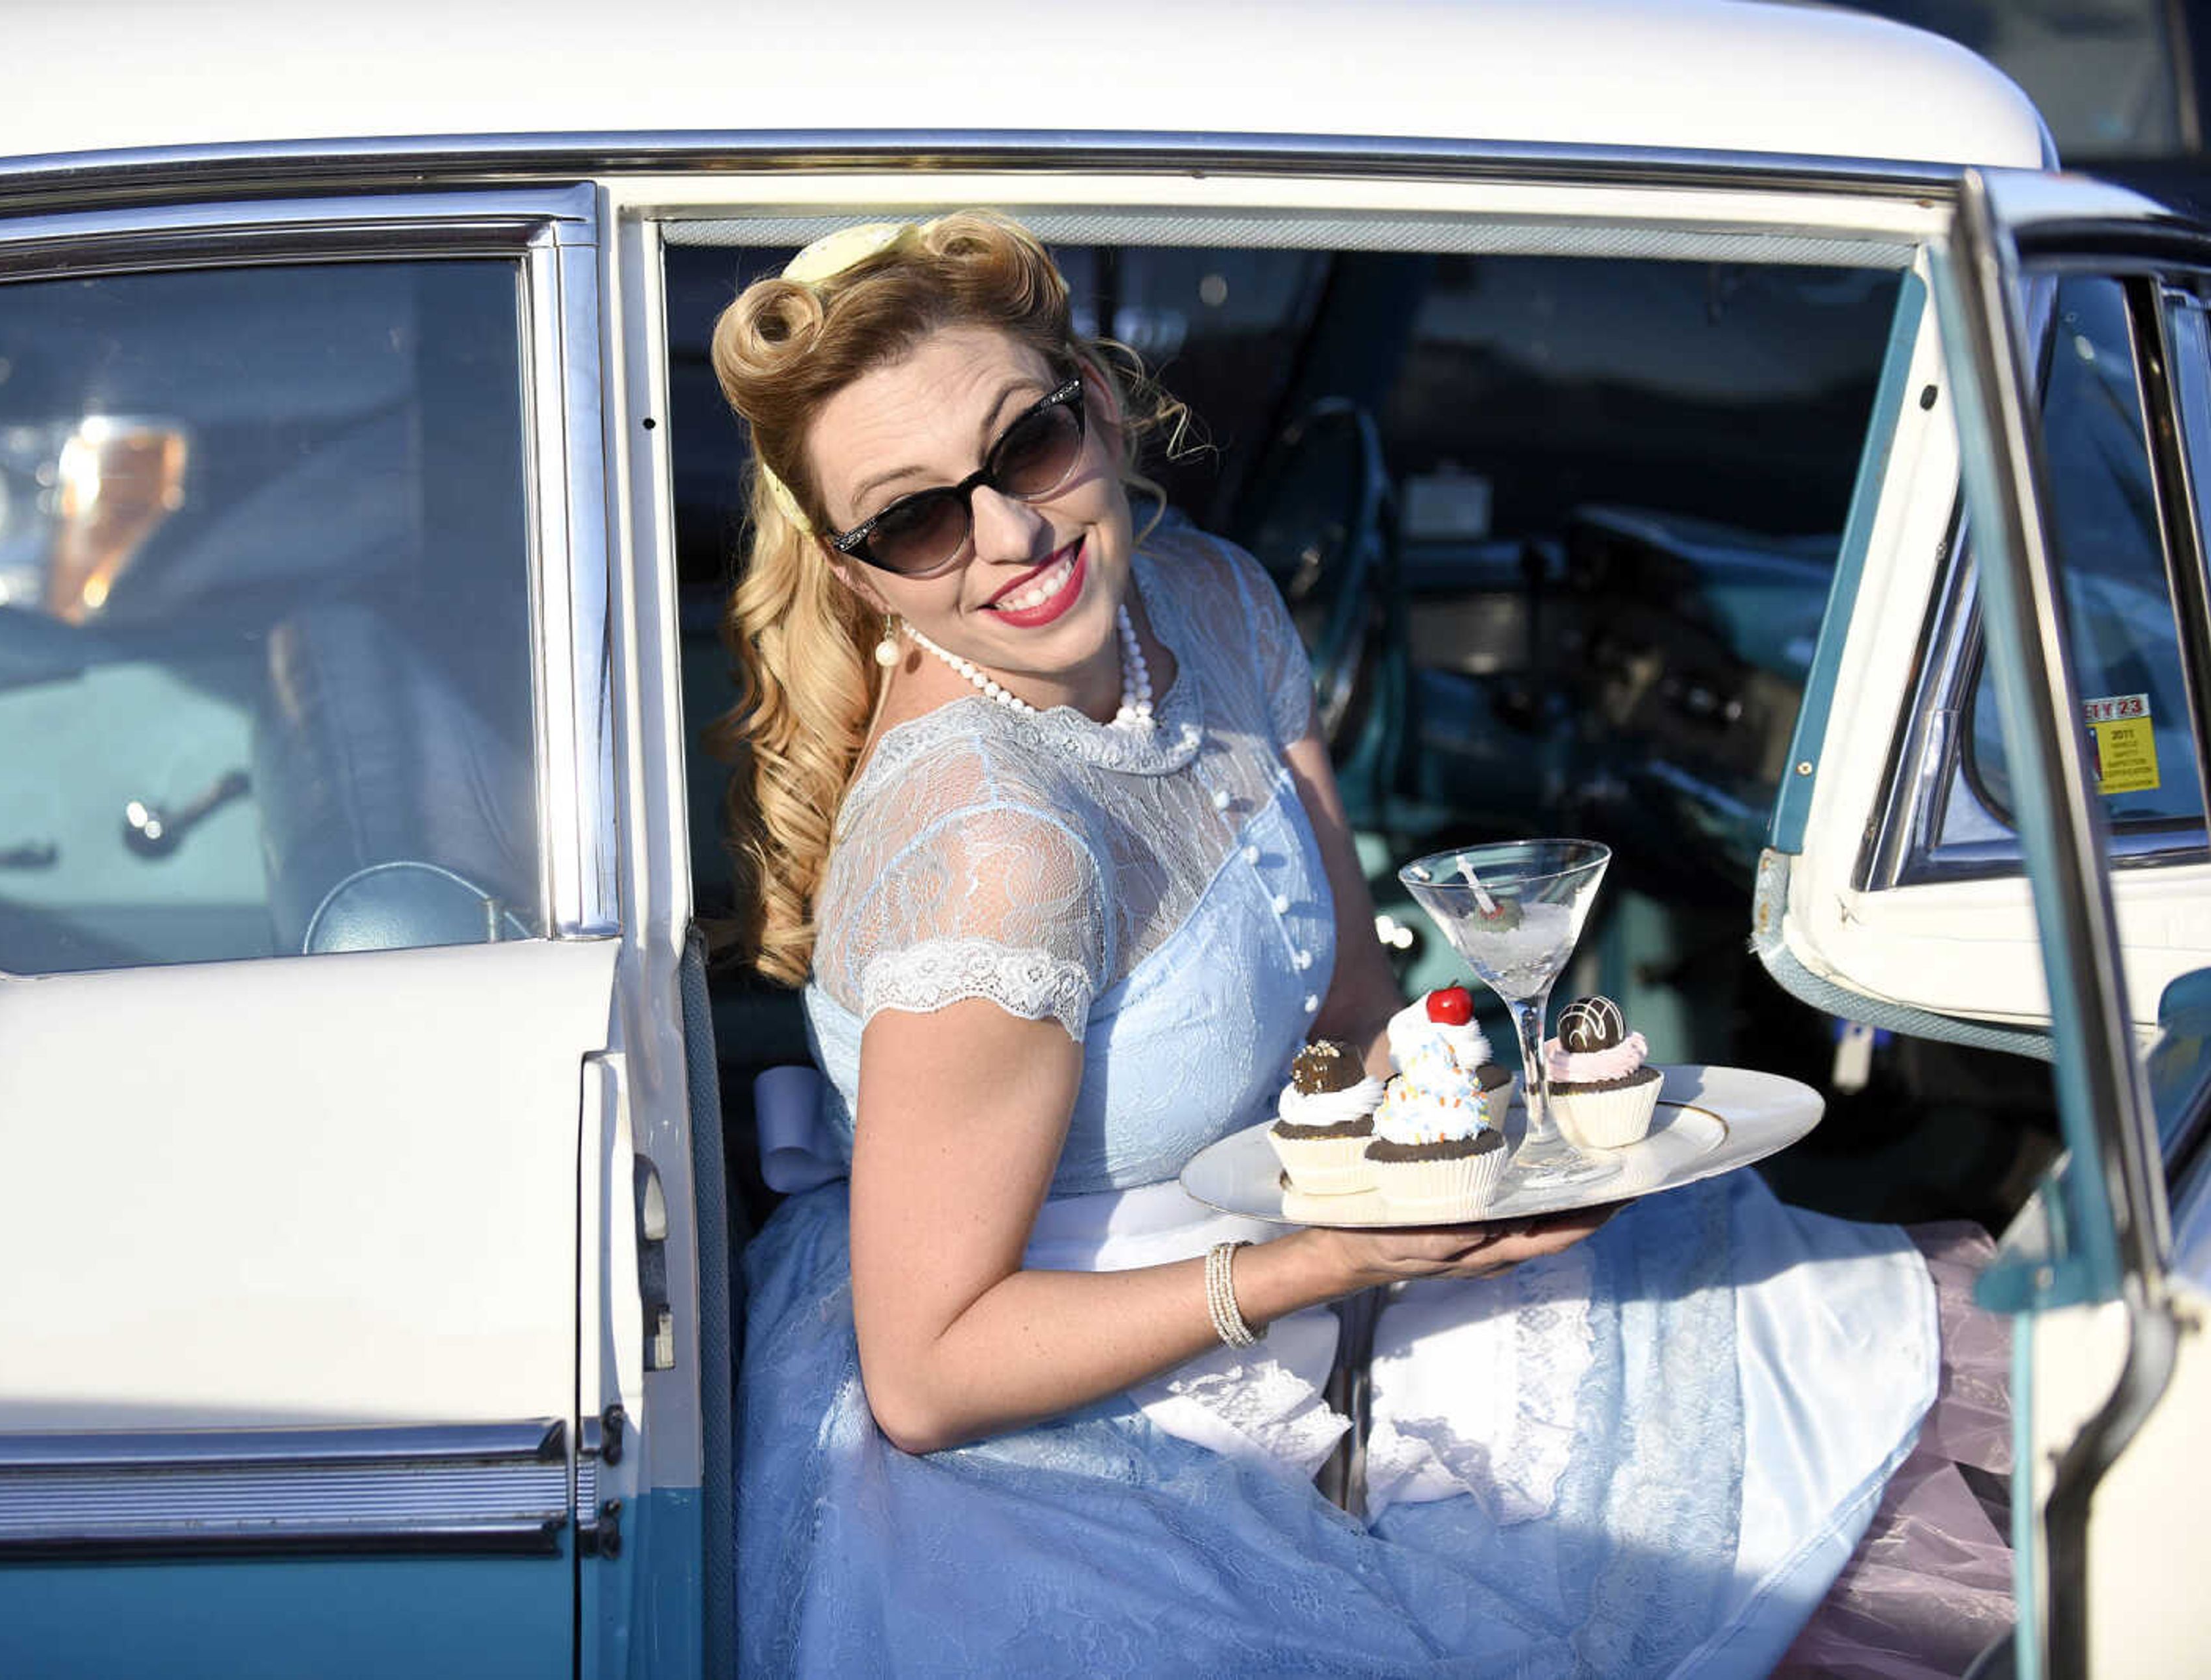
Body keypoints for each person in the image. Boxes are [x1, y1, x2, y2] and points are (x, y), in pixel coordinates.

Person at [712, 212, 1997, 1677]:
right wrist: (1319, 1260)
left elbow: (1353, 997)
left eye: (1027, 445)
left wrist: (1492, 1129)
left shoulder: (1213, 601)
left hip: (1301, 1265)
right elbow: (926, 1376)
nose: (1010, 534)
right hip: (1051, 1421)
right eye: (917, 519)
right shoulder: (992, 849)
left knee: (1799, 1355)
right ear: (861, 572)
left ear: (1100, 402)